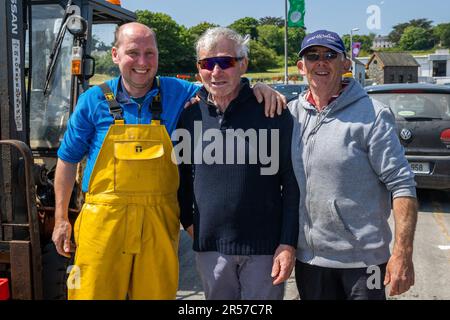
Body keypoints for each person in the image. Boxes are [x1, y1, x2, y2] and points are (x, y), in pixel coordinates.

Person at [51, 22, 286, 300]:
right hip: (102, 223)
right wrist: (61, 218)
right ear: (115, 54)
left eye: (150, 53)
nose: (142, 62)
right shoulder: (93, 100)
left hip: (158, 222)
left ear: (158, 56)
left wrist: (259, 87)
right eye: (133, 53)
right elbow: (67, 160)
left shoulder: (180, 92)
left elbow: (220, 81)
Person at [288, 30, 418, 300]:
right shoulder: (291, 114)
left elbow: (402, 185)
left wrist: (402, 254)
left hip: (364, 264)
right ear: (301, 67)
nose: (321, 62)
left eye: (330, 55)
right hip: (310, 262)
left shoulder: (373, 114)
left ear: (345, 64)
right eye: (313, 56)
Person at [177, 27, 299, 300]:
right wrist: (188, 222)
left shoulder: (272, 111)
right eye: (207, 64)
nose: (216, 71)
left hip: (265, 250)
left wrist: (287, 242)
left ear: (243, 64)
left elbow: (292, 183)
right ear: (199, 70)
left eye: (225, 62)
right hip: (211, 250)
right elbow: (181, 179)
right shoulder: (190, 116)